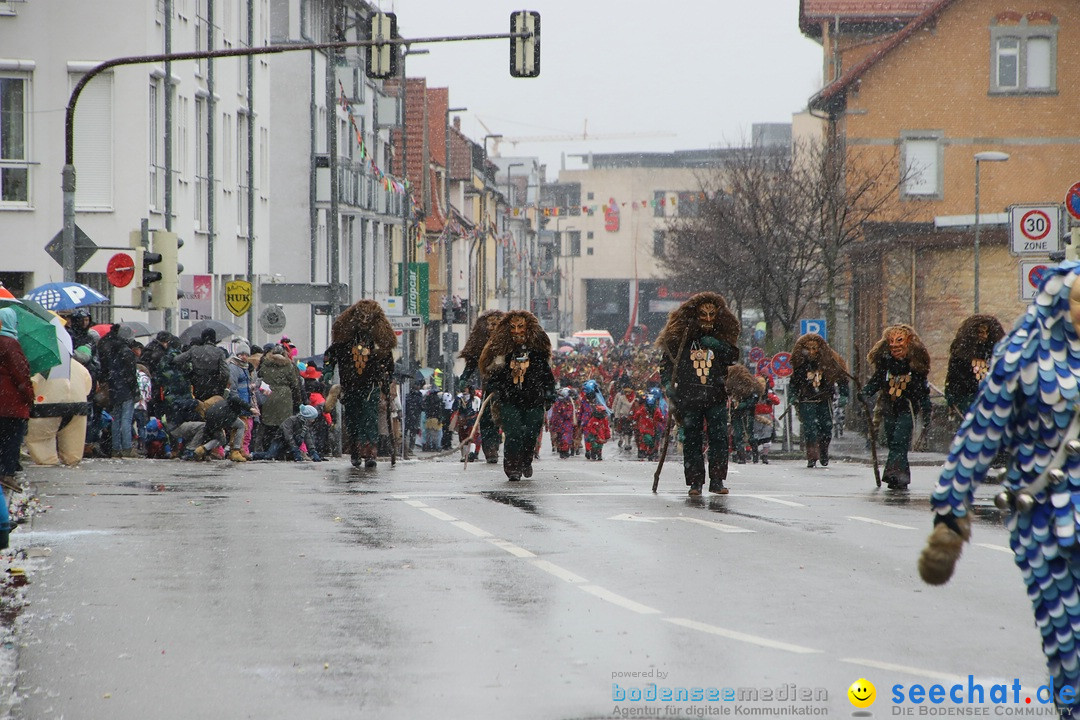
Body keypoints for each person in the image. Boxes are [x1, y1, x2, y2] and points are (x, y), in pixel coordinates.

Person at [918, 264, 1080, 716]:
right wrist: (951, 513)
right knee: (1069, 642)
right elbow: (980, 434)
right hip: (1045, 517)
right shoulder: (1022, 356)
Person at [657, 292, 740, 496]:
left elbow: (733, 357)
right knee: (692, 439)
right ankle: (695, 482)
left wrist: (718, 346)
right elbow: (666, 363)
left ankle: (717, 480)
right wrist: (668, 384)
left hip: (716, 395)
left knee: (719, 438)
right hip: (689, 396)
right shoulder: (681, 339)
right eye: (704, 314)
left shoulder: (722, 337)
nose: (708, 319)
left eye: (712, 314)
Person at [478, 310, 556, 481]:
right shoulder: (502, 356)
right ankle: (512, 467)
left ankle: (526, 461)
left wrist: (549, 396)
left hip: (534, 400)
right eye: (512, 327)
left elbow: (547, 377)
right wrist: (495, 389)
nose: (517, 331)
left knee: (531, 432)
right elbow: (494, 377)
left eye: (521, 327)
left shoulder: (538, 355)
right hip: (509, 400)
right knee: (513, 434)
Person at [323, 299, 396, 468]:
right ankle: (355, 451)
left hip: (370, 386)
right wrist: (327, 370)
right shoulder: (344, 340)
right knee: (353, 420)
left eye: (367, 317)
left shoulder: (378, 341)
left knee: (370, 419)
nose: (364, 321)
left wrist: (386, 376)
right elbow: (330, 355)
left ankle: (371, 453)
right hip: (350, 386)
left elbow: (388, 363)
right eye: (361, 317)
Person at [859, 324, 931, 490]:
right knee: (893, 442)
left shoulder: (916, 368)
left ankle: (894, 474)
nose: (895, 347)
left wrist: (926, 411)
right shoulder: (885, 364)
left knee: (900, 441)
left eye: (899, 343)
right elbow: (876, 381)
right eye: (891, 343)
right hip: (889, 408)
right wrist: (865, 393)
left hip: (907, 409)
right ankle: (901, 477)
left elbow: (923, 391)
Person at [790, 332, 850, 468]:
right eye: (808, 348)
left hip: (824, 400)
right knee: (810, 429)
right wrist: (792, 396)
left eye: (814, 348)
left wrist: (844, 395)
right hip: (806, 400)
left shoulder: (829, 362)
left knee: (826, 427)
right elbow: (793, 382)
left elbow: (842, 378)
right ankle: (812, 456)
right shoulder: (800, 364)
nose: (811, 352)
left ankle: (823, 451)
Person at [0, 307, 33, 548]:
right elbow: (21, 374)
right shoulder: (10, 343)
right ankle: (7, 473)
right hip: (10, 404)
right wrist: (30, 395)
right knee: (11, 440)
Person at [458, 310, 504, 463]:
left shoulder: (510, 342)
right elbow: (471, 363)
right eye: (490, 324)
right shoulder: (480, 344)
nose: (493, 327)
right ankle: (491, 449)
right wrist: (464, 377)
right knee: (487, 419)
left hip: (511, 388)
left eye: (496, 323)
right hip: (491, 387)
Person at [943, 314, 1005, 423]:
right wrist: (954, 399)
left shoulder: (997, 355)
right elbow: (953, 380)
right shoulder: (961, 356)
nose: (985, 336)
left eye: (987, 333)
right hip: (968, 402)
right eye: (981, 332)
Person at [98, 324, 139, 458]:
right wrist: (135, 391)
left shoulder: (112, 350)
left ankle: (116, 449)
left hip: (114, 388)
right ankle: (127, 448)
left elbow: (108, 370)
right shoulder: (127, 351)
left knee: (116, 420)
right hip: (126, 390)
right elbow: (131, 375)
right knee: (126, 420)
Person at [256, 345, 302, 454]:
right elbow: (295, 384)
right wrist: (298, 400)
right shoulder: (289, 365)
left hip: (269, 395)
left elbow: (260, 376)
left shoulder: (265, 364)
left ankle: (268, 449)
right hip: (284, 397)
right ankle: (282, 450)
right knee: (284, 425)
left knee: (268, 425)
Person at [252, 404, 324, 461]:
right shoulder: (291, 420)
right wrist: (295, 448)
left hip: (293, 441)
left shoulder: (305, 425)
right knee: (270, 455)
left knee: (280, 456)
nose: (313, 420)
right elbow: (288, 435)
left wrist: (312, 451)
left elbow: (308, 439)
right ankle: (253, 455)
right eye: (312, 418)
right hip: (280, 440)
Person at [173, 328, 229, 401]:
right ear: (214, 338)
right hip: (214, 386)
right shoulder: (219, 352)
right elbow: (225, 373)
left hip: (198, 385)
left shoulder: (194, 350)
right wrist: (221, 383)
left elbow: (177, 360)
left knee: (199, 408)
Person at [727, 364, 760, 465]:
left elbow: (754, 399)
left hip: (747, 414)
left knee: (750, 435)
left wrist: (744, 404)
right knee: (738, 435)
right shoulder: (730, 386)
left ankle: (755, 454)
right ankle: (741, 456)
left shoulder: (751, 385)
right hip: (736, 414)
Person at [750, 375, 779, 464]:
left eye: (763, 382)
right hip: (756, 417)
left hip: (767, 417)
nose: (761, 384)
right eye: (759, 382)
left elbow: (777, 401)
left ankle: (765, 455)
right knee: (756, 436)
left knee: (767, 437)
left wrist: (770, 398)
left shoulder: (769, 393)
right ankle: (755, 454)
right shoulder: (752, 393)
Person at [454, 385, 481, 461]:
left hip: (472, 421)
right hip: (462, 421)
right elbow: (455, 408)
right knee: (463, 438)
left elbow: (477, 410)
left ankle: (471, 454)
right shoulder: (459, 399)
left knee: (472, 438)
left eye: (466, 388)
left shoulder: (476, 399)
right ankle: (464, 456)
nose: (464, 390)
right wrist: (457, 399)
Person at [549, 387, 576, 458]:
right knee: (560, 438)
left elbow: (568, 415)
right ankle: (562, 451)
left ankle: (565, 451)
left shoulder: (569, 404)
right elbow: (554, 414)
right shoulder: (557, 404)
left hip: (566, 425)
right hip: (559, 425)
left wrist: (562, 411)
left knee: (566, 439)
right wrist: (552, 423)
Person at [404, 382, 424, 453]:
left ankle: (403, 448)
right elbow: (422, 407)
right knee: (413, 434)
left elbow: (405, 405)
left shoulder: (407, 395)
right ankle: (410, 449)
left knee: (405, 433)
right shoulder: (419, 396)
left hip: (407, 416)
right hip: (415, 417)